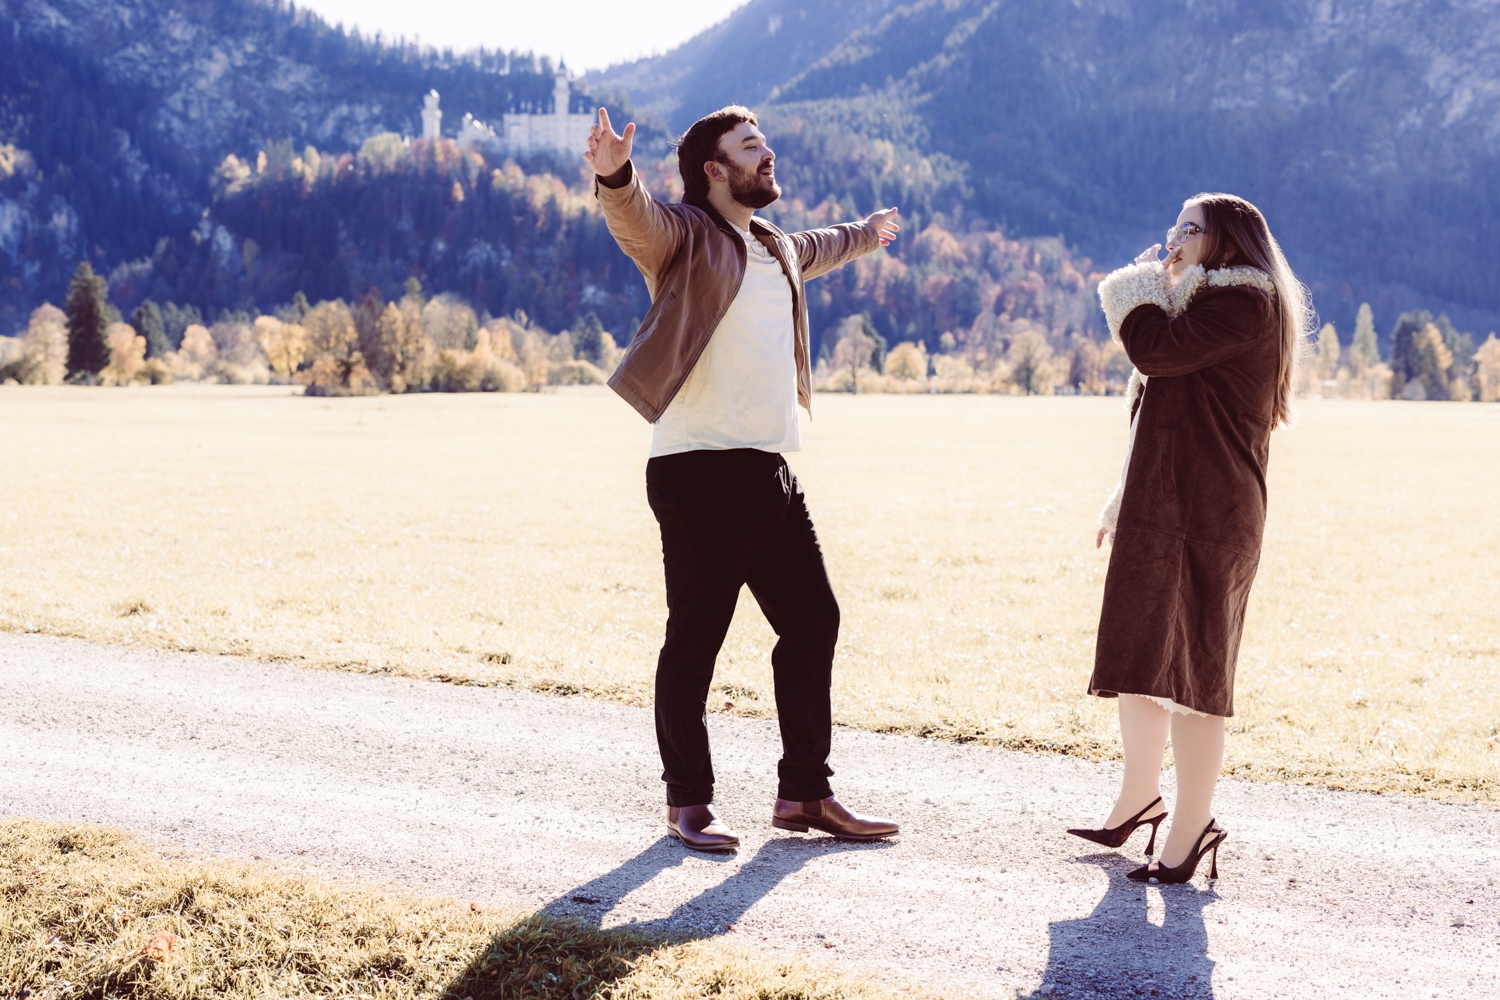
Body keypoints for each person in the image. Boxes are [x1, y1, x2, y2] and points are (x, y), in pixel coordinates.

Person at [584, 104, 902, 852]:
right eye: (751, 147)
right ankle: (688, 802)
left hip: (768, 469)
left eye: (765, 143)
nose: (768, 154)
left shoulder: (774, 245)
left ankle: (803, 797)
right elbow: (637, 220)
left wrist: (868, 232)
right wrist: (614, 176)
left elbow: (823, 245)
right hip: (699, 467)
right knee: (696, 641)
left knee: (813, 621)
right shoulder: (686, 238)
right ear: (715, 170)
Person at [1068, 193, 1311, 883]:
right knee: (1139, 659)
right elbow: (1160, 414)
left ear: (1229, 241)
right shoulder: (1202, 305)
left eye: (1191, 228)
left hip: (1211, 516)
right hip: (1160, 504)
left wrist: (1139, 287)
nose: (1175, 236)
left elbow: (1154, 350)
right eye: (1173, 224)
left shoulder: (1246, 304)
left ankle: (1193, 824)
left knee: (1196, 676)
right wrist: (1120, 502)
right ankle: (1137, 800)